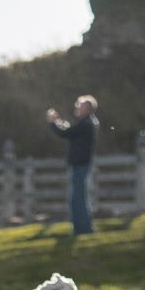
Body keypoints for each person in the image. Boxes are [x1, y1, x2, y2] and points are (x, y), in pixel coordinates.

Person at [47, 95, 99, 235]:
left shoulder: (86, 124)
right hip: (80, 164)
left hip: (80, 165)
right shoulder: (87, 123)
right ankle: (83, 229)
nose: (77, 106)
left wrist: (53, 122)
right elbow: (70, 130)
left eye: (79, 105)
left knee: (78, 199)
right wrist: (58, 121)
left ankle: (82, 229)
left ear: (87, 109)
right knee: (79, 198)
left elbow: (65, 132)